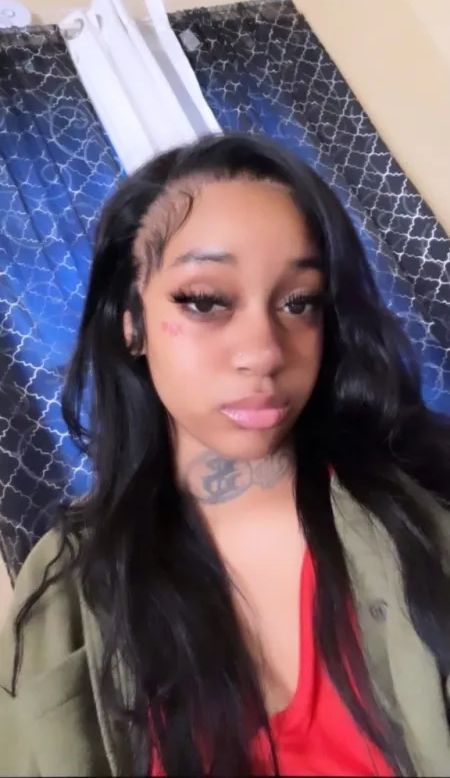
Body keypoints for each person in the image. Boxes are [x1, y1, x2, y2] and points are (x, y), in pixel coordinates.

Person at [0, 132, 449, 778]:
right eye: (206, 301)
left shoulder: (427, 512)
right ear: (132, 323)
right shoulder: (66, 587)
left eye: (299, 302)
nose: (264, 351)